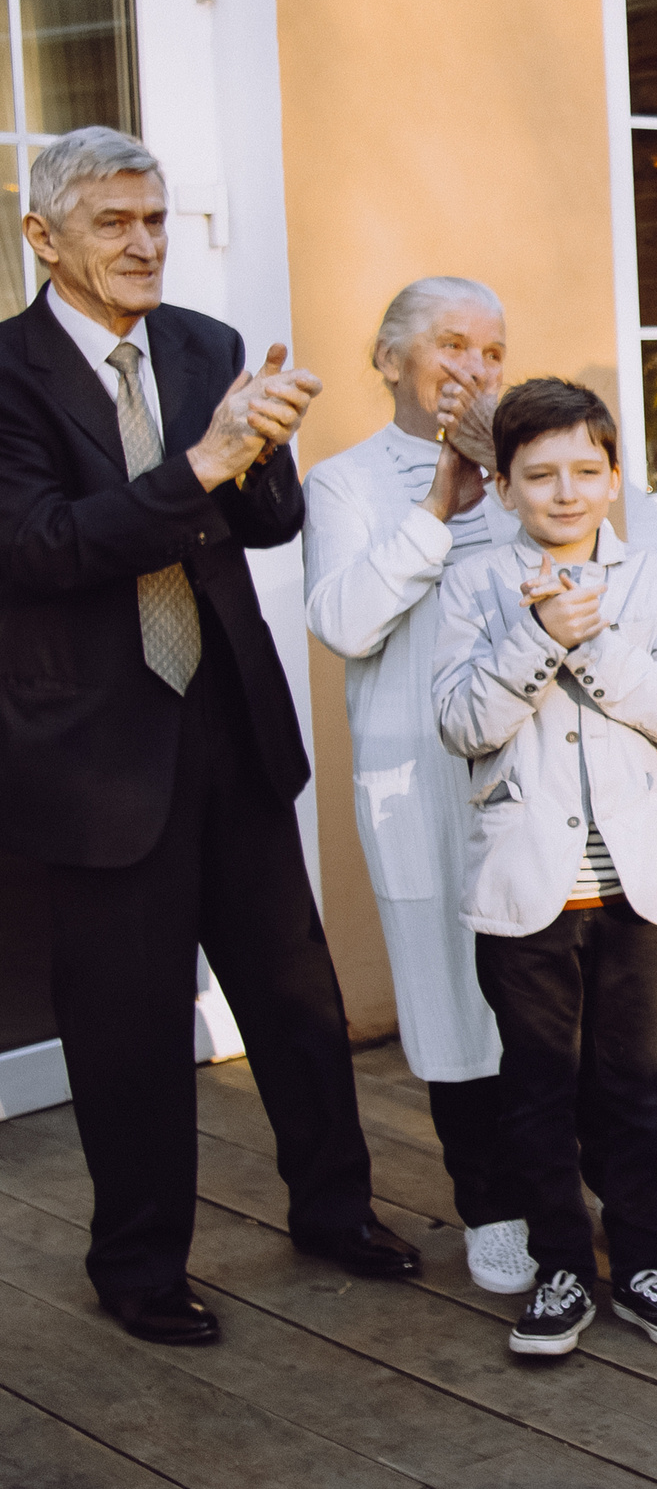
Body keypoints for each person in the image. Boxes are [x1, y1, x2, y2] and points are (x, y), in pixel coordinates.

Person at [0, 126, 417, 1346]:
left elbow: (269, 524)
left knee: (295, 999)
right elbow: (42, 548)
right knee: (126, 1031)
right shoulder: (7, 376)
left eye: (157, 218)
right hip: (95, 754)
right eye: (115, 224)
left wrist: (265, 446)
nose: (145, 244)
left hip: (227, 724)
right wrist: (205, 459)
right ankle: (135, 1265)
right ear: (43, 238)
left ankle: (335, 1210)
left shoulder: (205, 346)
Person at [304, 280, 657, 1294]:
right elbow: (345, 621)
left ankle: (623, 1199)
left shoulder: (547, 461)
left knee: (594, 1008)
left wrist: (512, 472)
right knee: (459, 1004)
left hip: (558, 772)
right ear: (390, 359)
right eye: (451, 347)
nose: (476, 369)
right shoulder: (348, 483)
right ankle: (496, 1201)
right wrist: (443, 503)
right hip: (427, 778)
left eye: (494, 348)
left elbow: (633, 566)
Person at [434, 379, 657, 1357]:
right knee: (539, 1084)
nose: (565, 492)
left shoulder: (651, 581)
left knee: (636, 1080)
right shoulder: (473, 583)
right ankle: (561, 1268)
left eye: (586, 472)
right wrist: (533, 635)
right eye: (539, 475)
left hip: (634, 885)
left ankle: (637, 1258)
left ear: (612, 478)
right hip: (525, 887)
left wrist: (587, 639)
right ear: (503, 485)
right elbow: (463, 721)